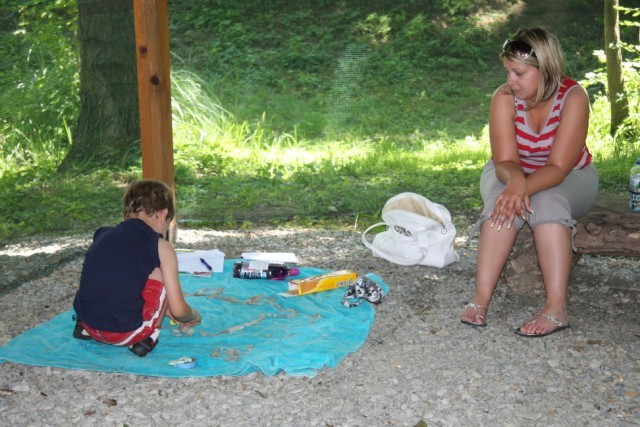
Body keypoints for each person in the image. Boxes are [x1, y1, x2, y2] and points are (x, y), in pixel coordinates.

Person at [460, 27, 599, 337]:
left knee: (547, 202)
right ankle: (480, 300)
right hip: (510, 171)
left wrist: (522, 188)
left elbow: (559, 167)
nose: (510, 80)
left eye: (519, 73)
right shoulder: (504, 97)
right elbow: (505, 161)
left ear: (545, 69)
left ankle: (556, 308)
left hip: (571, 174)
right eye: (508, 71)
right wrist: (515, 184)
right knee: (502, 202)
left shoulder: (574, 97)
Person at [73, 179, 201, 356]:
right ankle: (147, 340)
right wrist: (193, 315)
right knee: (161, 270)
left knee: (106, 268)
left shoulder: (102, 234)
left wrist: (166, 310)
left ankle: (83, 328)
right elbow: (179, 311)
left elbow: (122, 279)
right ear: (162, 215)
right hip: (123, 333)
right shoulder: (160, 245)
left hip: (88, 322)